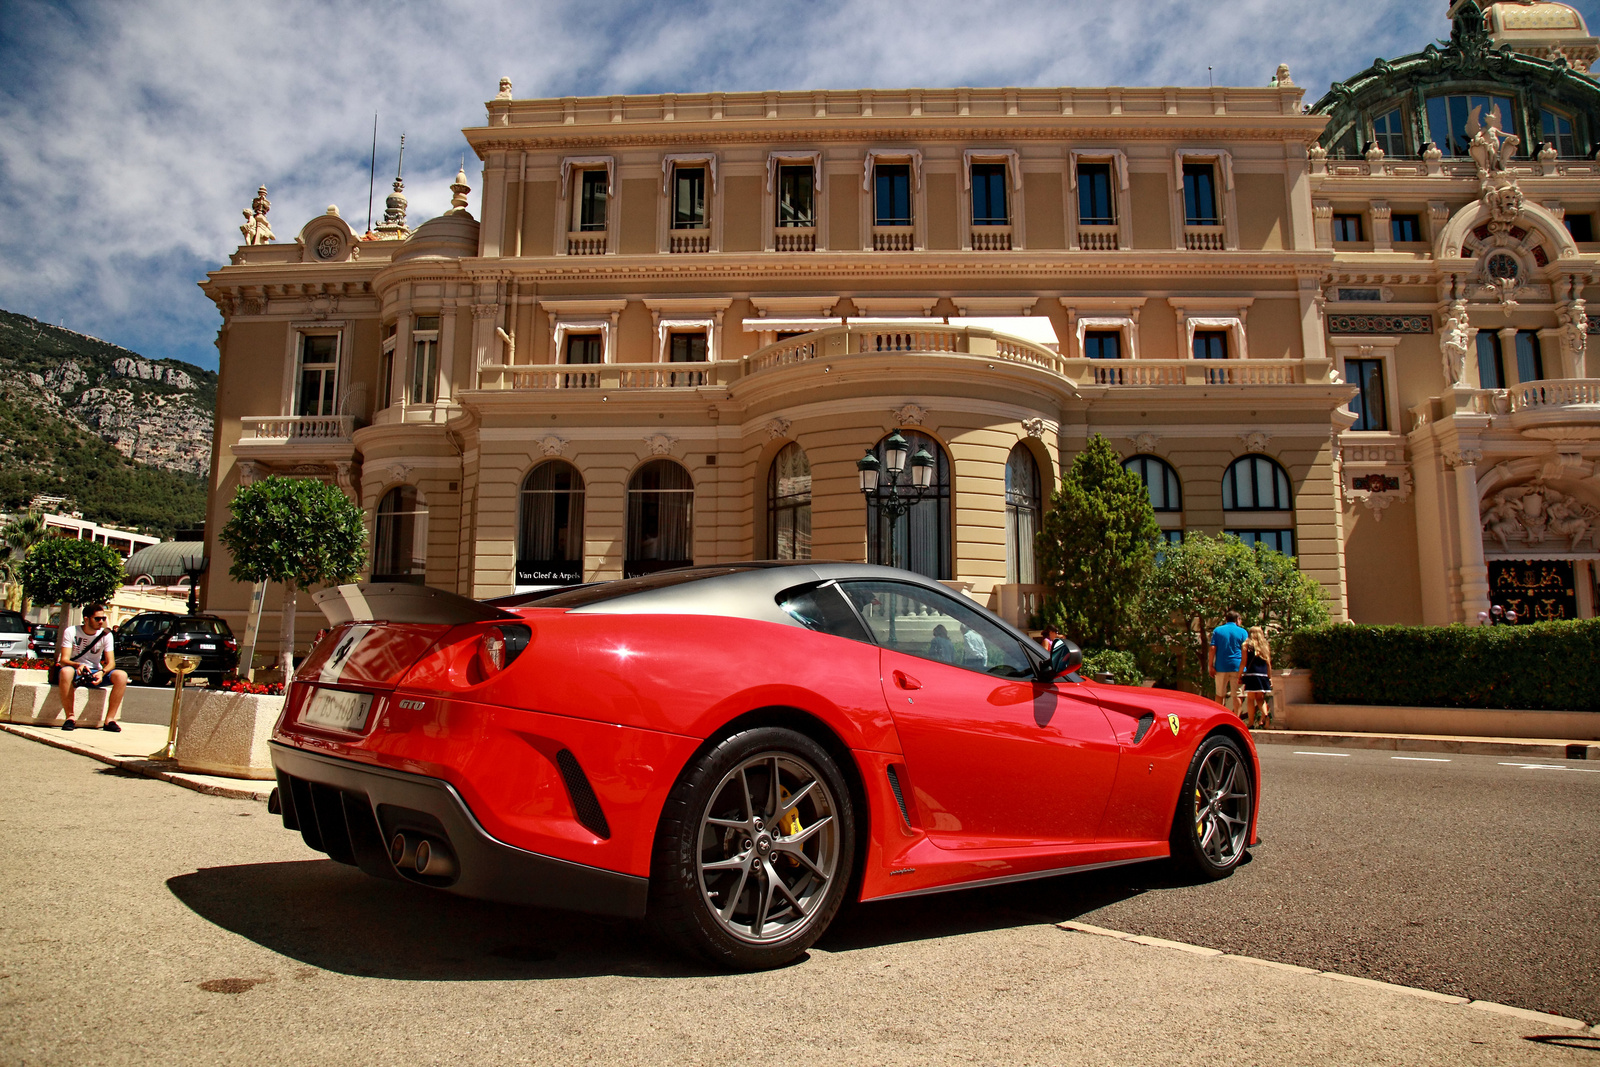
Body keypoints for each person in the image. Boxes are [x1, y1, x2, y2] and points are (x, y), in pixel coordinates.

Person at [54, 604, 129, 732]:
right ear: (86, 619)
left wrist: (102, 672)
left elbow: (111, 663)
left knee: (121, 676)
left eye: (103, 618)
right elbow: (64, 659)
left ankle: (110, 720)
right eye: (97, 619)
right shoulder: (71, 631)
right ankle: (70, 718)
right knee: (66, 672)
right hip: (76, 670)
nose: (101, 622)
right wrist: (78, 665)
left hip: (95, 671)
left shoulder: (106, 635)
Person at [1208, 610, 1248, 717]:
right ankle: (1237, 719)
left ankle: (1218, 718)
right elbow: (1246, 650)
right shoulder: (1243, 632)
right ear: (1237, 620)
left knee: (1220, 694)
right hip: (1237, 667)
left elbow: (1212, 648)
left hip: (1221, 667)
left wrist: (1210, 665)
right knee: (1237, 695)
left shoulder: (1218, 631)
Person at [1240, 626, 1274, 728]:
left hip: (1251, 675)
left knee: (1250, 699)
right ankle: (1266, 715)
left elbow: (1244, 662)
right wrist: (1270, 677)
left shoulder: (1246, 645)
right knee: (1260, 698)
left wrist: (1240, 675)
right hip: (1263, 675)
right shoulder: (1265, 645)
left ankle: (1250, 723)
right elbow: (1268, 663)